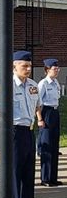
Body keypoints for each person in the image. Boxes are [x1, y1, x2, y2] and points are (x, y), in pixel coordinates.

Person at [0, 50, 46, 198]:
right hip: (14, 132)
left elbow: (37, 105)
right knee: (13, 178)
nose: (28, 69)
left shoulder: (33, 85)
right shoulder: (8, 85)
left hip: (28, 132)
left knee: (28, 178)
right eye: (24, 66)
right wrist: (8, 123)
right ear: (14, 66)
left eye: (29, 66)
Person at [37, 58, 62, 187]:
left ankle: (53, 177)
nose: (57, 70)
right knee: (46, 146)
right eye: (54, 68)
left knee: (54, 146)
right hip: (46, 112)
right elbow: (38, 103)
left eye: (58, 68)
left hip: (54, 112)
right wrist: (40, 118)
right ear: (47, 69)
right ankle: (45, 177)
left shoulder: (56, 83)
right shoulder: (43, 84)